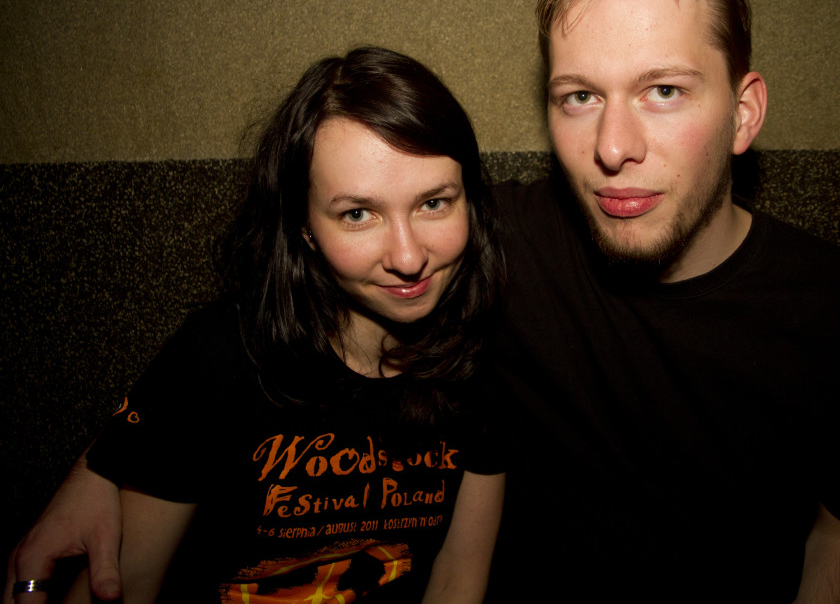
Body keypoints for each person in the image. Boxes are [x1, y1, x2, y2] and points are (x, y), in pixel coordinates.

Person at [8, 0, 840, 603]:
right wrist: (104, 463)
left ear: (743, 112)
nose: (614, 145)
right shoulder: (484, 248)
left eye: (663, 91)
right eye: (579, 97)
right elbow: (270, 316)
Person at [13, 46, 506, 603]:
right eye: (357, 214)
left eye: (434, 203)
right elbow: (123, 584)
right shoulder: (220, 357)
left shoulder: (482, 359)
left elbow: (457, 578)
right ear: (303, 226)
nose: (409, 257)